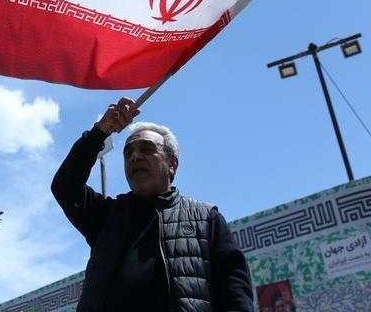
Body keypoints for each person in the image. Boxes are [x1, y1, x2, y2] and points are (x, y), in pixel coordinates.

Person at [51, 97, 254, 312]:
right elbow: (65, 188)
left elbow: (236, 297)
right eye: (128, 153)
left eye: (146, 149)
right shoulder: (107, 216)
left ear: (172, 164)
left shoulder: (206, 219)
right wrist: (99, 132)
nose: (134, 157)